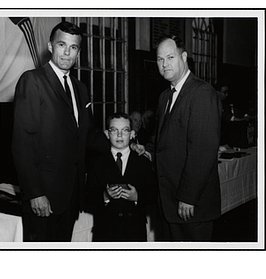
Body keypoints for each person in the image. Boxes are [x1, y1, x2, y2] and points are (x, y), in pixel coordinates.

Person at [12, 21, 109, 242]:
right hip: (43, 196)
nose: (67, 52)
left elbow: (88, 135)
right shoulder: (33, 81)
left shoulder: (80, 88)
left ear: (78, 51)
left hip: (71, 195)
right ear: (50, 46)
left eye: (73, 47)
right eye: (61, 45)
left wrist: (122, 144)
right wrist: (35, 193)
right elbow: (23, 143)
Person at [145, 35, 222, 241]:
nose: (164, 64)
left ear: (184, 57)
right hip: (168, 200)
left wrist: (188, 196)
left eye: (170, 57)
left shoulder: (202, 92)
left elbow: (203, 150)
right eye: (160, 60)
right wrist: (146, 150)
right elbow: (160, 140)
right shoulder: (165, 96)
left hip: (190, 205)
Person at [85, 113, 158, 241]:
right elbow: (87, 197)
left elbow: (154, 194)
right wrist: (105, 196)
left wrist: (137, 197)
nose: (119, 135)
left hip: (134, 231)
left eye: (125, 130)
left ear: (132, 134)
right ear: (107, 134)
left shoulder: (142, 161)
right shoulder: (97, 162)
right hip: (106, 231)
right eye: (114, 130)